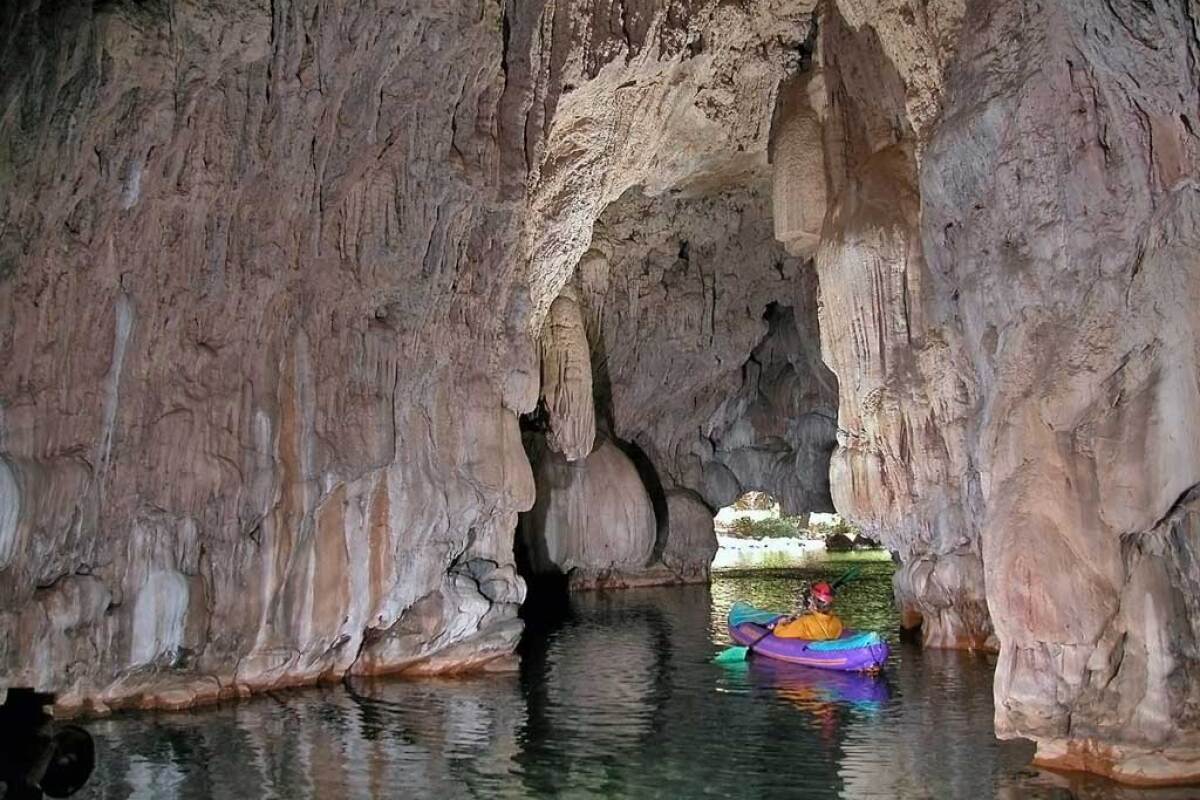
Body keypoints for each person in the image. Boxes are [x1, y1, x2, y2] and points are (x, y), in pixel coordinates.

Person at [771, 581, 843, 640]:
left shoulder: (804, 622)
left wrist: (780, 624)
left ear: (812, 602)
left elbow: (779, 633)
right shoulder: (837, 622)